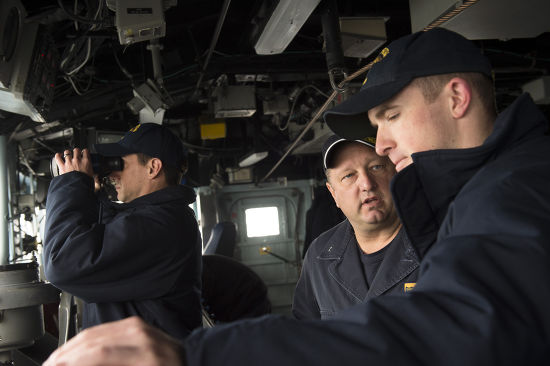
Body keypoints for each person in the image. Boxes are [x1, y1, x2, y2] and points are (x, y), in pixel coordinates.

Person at [44, 28, 550, 366]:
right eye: (375, 130)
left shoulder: (516, 190)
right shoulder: (477, 195)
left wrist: (200, 357)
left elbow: (452, 331)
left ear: (457, 98)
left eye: (391, 116)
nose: (383, 147)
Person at [43, 123, 202, 341]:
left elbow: (62, 264)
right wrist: (92, 195)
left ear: (153, 167)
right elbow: (103, 240)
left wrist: (71, 184)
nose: (112, 172)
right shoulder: (156, 217)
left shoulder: (162, 224)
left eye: (119, 162)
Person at [293, 134, 423, 320]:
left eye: (376, 167)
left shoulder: (438, 240)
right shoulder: (319, 256)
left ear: (396, 172)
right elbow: (307, 336)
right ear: (333, 193)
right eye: (348, 176)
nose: (366, 184)